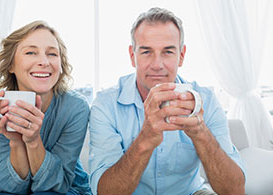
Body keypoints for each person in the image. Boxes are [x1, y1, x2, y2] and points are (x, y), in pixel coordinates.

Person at [88, 7, 245, 195]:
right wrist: (145, 138)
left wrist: (200, 132)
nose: (157, 65)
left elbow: (235, 190)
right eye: (146, 52)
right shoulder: (106, 105)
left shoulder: (206, 101)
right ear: (132, 56)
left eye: (168, 52)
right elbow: (105, 192)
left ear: (181, 55)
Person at [0, 21, 92, 195]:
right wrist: (16, 141)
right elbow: (5, 188)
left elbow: (58, 185)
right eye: (31, 52)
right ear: (11, 65)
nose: (44, 61)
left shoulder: (75, 108)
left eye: (52, 54)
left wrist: (33, 141)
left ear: (61, 65)